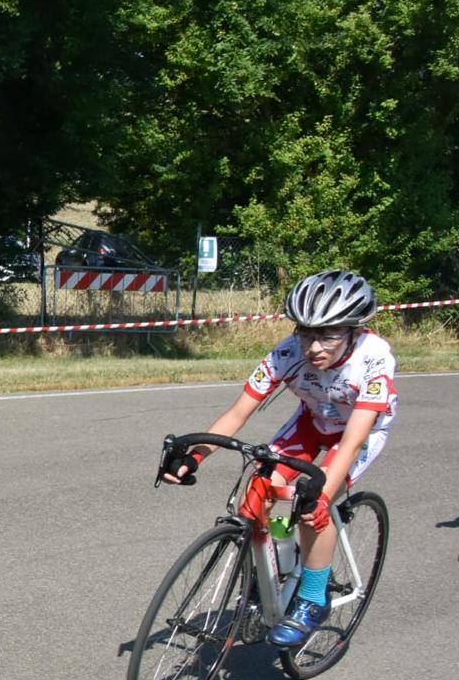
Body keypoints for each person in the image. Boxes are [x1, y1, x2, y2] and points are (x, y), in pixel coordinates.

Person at [163, 269, 396, 647]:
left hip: (359, 431)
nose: (314, 347)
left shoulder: (374, 359)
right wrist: (196, 456)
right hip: (312, 423)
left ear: (355, 330)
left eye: (328, 335)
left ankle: (313, 598)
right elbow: (237, 414)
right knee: (259, 490)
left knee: (311, 508)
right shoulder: (287, 353)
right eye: (306, 333)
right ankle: (274, 570)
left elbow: (353, 441)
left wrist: (321, 495)